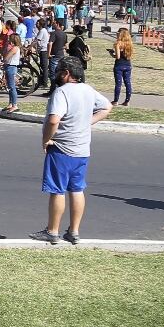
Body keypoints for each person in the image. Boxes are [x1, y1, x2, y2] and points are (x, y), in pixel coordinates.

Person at [32, 57, 112, 245]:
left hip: (61, 148)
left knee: (57, 190)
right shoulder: (88, 90)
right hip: (82, 150)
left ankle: (52, 231)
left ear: (66, 73)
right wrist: (86, 123)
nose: (57, 75)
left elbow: (53, 120)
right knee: (77, 189)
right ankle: (74, 231)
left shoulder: (61, 92)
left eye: (60, 71)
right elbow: (107, 107)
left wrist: (46, 139)